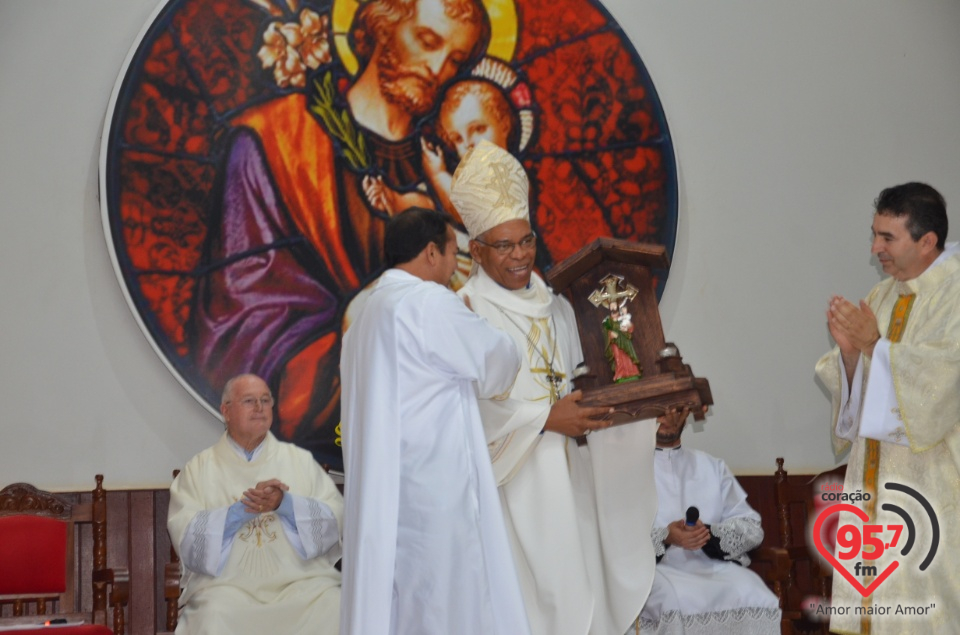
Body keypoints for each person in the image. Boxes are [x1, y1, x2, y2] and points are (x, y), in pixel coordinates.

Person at [189, 0, 492, 461]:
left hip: (441, 436)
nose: (437, 69)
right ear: (380, 27)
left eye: (456, 60)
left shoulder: (449, 175)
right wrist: (375, 311)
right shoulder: (275, 141)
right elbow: (239, 327)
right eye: (428, 41)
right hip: (329, 420)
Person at [451, 139, 659, 635]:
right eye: (504, 245)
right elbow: (457, 412)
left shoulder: (562, 307)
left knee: (585, 597)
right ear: (476, 250)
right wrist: (545, 419)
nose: (521, 255)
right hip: (512, 493)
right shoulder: (463, 314)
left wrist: (652, 414)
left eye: (527, 240)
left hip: (577, 481)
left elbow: (595, 386)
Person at [339, 208, 529, 635]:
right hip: (435, 491)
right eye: (452, 252)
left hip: (384, 495)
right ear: (431, 253)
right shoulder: (426, 302)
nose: (454, 264)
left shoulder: (363, 316)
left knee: (400, 606)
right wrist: (469, 316)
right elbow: (498, 362)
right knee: (447, 604)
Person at [815, 182, 960, 633]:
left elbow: (943, 377)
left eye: (887, 237)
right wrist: (851, 355)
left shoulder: (953, 295)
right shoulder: (882, 296)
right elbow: (860, 399)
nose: (875, 248)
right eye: (874, 234)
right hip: (875, 492)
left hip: (933, 490)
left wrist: (875, 345)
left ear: (927, 241)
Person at [167, 373, 343, 635]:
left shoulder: (300, 461)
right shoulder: (199, 469)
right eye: (249, 400)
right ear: (226, 411)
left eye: (265, 400)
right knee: (212, 616)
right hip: (226, 590)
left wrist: (285, 504)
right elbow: (187, 538)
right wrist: (238, 513)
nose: (260, 408)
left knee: (334, 605)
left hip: (301, 585)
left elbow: (334, 519)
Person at [638, 406, 780, 634]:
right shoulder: (628, 471)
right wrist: (666, 536)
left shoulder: (712, 467)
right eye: (661, 410)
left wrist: (709, 534)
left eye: (677, 409)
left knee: (754, 591)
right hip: (657, 572)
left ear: (690, 412)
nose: (669, 417)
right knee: (675, 599)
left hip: (712, 567)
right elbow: (617, 540)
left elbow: (751, 528)